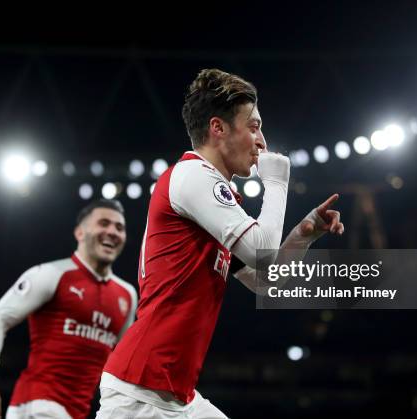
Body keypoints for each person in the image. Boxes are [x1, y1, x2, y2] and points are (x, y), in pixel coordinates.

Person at [97, 68, 345, 419]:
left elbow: (267, 281)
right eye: (255, 126)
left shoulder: (217, 199)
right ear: (218, 128)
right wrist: (276, 182)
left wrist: (303, 234)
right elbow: (263, 255)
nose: (262, 142)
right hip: (141, 394)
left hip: (175, 395)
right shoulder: (193, 176)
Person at [0, 199, 137, 419]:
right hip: (37, 405)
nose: (112, 232)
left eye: (119, 228)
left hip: (79, 412)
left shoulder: (127, 295)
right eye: (104, 223)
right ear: (80, 233)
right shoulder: (51, 274)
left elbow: (122, 362)